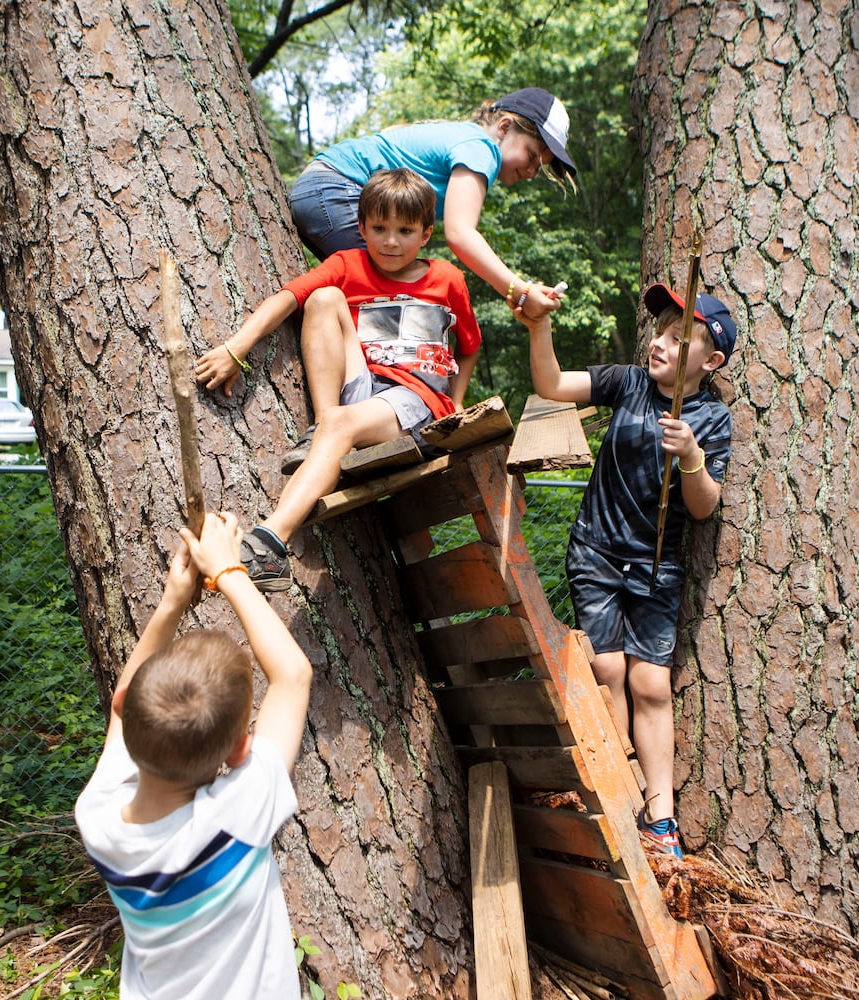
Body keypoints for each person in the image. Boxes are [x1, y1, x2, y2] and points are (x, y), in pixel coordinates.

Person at [518, 281, 737, 859]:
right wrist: (540, 327)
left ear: (710, 361)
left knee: (651, 683)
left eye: (676, 338)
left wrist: (691, 455)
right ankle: (624, 795)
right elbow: (551, 385)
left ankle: (661, 816)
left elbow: (703, 505)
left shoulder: (713, 420)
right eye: (659, 332)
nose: (659, 344)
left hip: (658, 568)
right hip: (596, 552)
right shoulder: (629, 383)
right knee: (608, 669)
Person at [197, 168, 481, 591]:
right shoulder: (348, 264)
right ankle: (326, 430)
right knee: (324, 296)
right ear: (361, 227)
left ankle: (271, 541)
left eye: (404, 230)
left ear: (425, 234)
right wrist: (237, 349)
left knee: (343, 423)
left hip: (416, 402)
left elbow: (469, 346)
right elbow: (288, 297)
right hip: (363, 389)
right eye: (379, 228)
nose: (390, 241)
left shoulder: (447, 279)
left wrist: (455, 403)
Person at [73, 510, 314, 999]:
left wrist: (171, 603)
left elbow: (124, 706)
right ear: (240, 748)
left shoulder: (98, 819)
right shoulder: (237, 817)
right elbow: (293, 675)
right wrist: (230, 571)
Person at [194, 88, 574, 393]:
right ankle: (377, 400)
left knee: (379, 293)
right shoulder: (481, 148)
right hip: (337, 190)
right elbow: (460, 233)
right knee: (392, 298)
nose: (532, 169)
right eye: (532, 153)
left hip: (322, 187)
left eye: (541, 165)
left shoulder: (463, 138)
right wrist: (520, 291)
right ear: (505, 127)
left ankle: (377, 399)